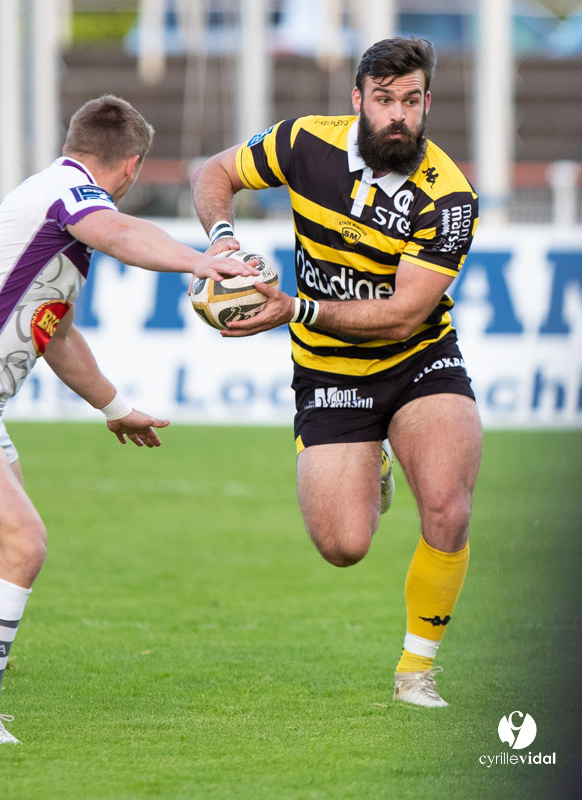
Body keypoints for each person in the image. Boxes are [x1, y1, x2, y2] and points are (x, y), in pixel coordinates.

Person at [0, 95, 259, 743]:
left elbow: (57, 337)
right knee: (22, 545)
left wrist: (115, 407)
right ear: (132, 166)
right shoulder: (68, 191)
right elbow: (122, 234)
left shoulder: (52, 207)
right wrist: (200, 260)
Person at [190, 37, 481, 707]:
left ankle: (416, 668)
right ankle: (373, 460)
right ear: (358, 100)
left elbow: (405, 315)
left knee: (447, 505)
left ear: (427, 104)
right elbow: (215, 172)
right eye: (384, 100)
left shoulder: (450, 198)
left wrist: (295, 308)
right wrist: (223, 240)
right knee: (343, 545)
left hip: (418, 359)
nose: (398, 115)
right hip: (328, 370)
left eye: (411, 101)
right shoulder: (303, 143)